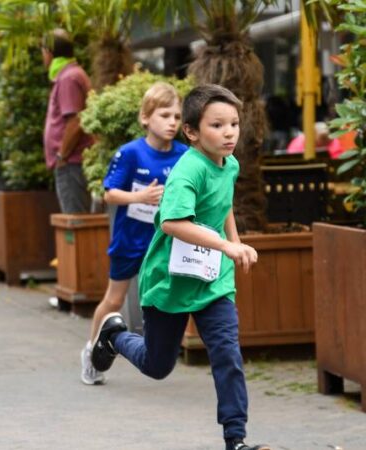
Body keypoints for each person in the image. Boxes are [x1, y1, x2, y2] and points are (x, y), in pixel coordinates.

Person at [91, 85, 269, 450]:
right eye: (217, 125)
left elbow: (224, 205)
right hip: (170, 281)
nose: (230, 132)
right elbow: (172, 222)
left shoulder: (229, 163)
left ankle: (235, 439)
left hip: (212, 280)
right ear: (192, 131)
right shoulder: (188, 171)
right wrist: (224, 245)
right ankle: (113, 336)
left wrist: (231, 244)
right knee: (158, 366)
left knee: (227, 354)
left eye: (234, 123)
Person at [80, 82, 188, 385]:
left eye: (177, 117)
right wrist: (140, 198)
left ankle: (155, 350)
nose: (172, 123)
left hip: (165, 244)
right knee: (114, 300)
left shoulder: (184, 155)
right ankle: (93, 352)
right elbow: (109, 194)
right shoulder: (129, 153)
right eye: (165, 115)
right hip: (130, 240)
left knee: (156, 299)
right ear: (145, 118)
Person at [42, 28, 94, 214]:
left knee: (75, 221)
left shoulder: (69, 77)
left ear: (49, 51)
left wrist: (61, 156)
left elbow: (75, 121)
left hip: (72, 163)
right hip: (71, 162)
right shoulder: (69, 74)